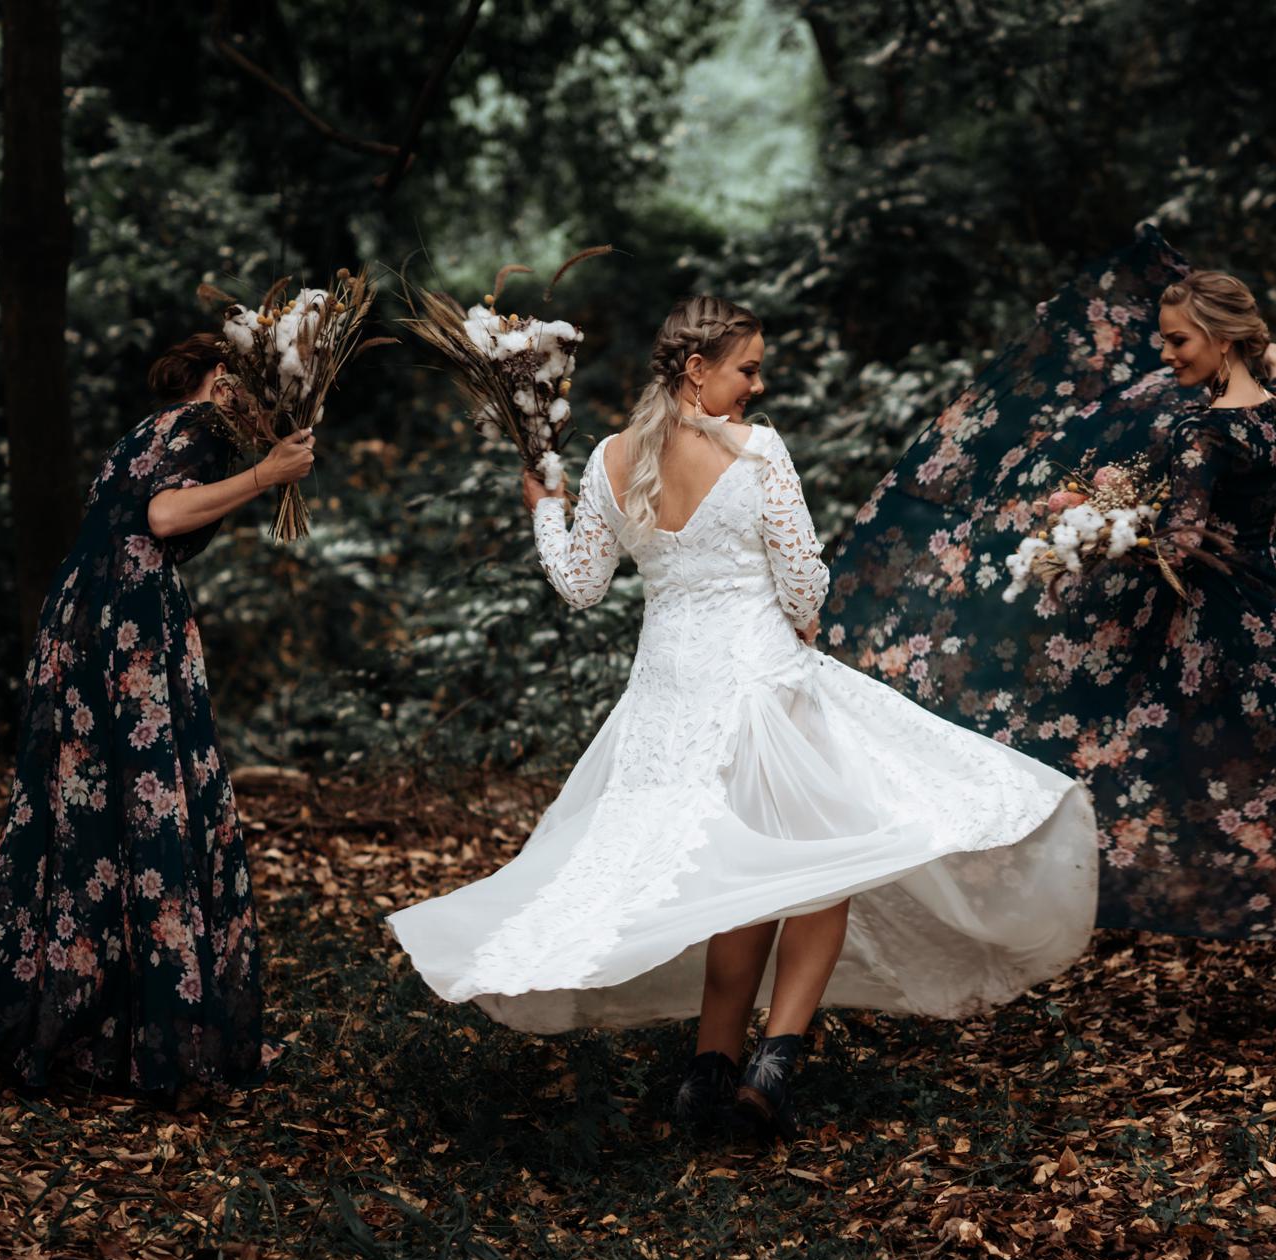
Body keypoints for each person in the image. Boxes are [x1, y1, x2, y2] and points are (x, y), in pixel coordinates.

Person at [388, 296, 1100, 1140]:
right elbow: (802, 580)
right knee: (820, 866)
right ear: (698, 370)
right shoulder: (757, 451)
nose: (758, 386)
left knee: (739, 877)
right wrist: (802, 613)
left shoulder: (610, 460)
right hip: (763, 686)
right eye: (747, 368)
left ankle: (707, 1072)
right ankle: (775, 1060)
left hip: (668, 699)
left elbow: (579, 586)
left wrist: (544, 504)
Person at [821, 227, 1276, 1030]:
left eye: (1179, 341)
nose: (1168, 356)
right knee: (1274, 796)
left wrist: (1101, 532)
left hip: (1217, 645)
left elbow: (1175, 542)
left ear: (1219, 339)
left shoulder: (1202, 433)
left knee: (1196, 789)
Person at [0, 333, 314, 1096]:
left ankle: (85, 1021)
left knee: (83, 817)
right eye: (256, 389)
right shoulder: (196, 429)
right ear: (223, 376)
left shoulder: (150, 427)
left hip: (82, 619)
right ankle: (140, 1035)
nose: (260, 407)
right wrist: (268, 474)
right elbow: (162, 517)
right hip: (127, 630)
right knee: (152, 810)